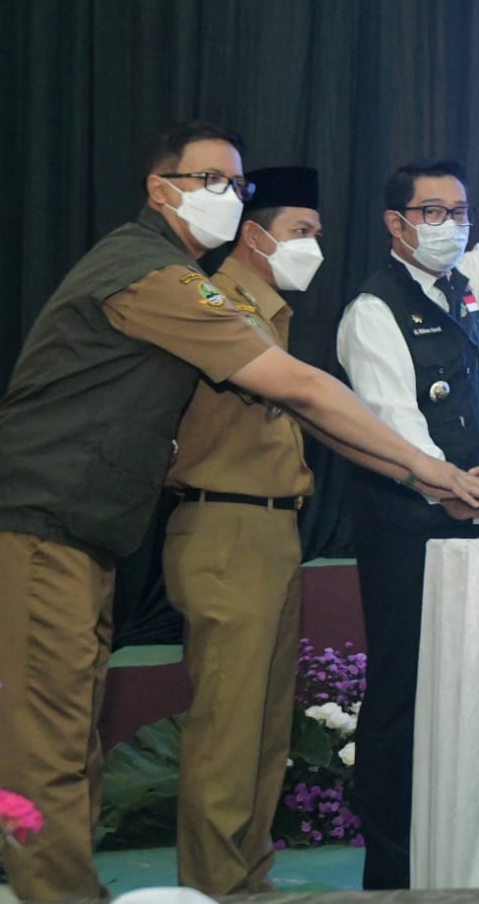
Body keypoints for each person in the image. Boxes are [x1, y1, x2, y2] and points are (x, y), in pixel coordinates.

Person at [0, 123, 479, 902]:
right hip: (37, 515)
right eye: (209, 181)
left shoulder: (179, 277)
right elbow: (305, 392)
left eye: (235, 185)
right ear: (159, 188)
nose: (225, 197)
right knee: (50, 743)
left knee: (74, 733)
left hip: (75, 526)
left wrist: (428, 478)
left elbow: (311, 416)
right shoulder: (153, 274)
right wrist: (428, 464)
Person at [336, 91, 479, 889]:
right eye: (430, 211)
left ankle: (464, 848)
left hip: (474, 520)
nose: (449, 223)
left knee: (470, 683)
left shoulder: (464, 282)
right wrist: (460, 489)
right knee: (404, 687)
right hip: (410, 523)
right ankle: (392, 865)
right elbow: (395, 424)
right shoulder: (371, 309)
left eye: (458, 210)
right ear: (395, 224)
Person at [158, 165, 331, 894]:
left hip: (271, 529)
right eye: (302, 232)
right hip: (224, 525)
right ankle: (213, 887)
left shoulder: (273, 313)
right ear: (255, 235)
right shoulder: (219, 302)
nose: (313, 248)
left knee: (264, 731)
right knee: (227, 734)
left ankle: (247, 878)